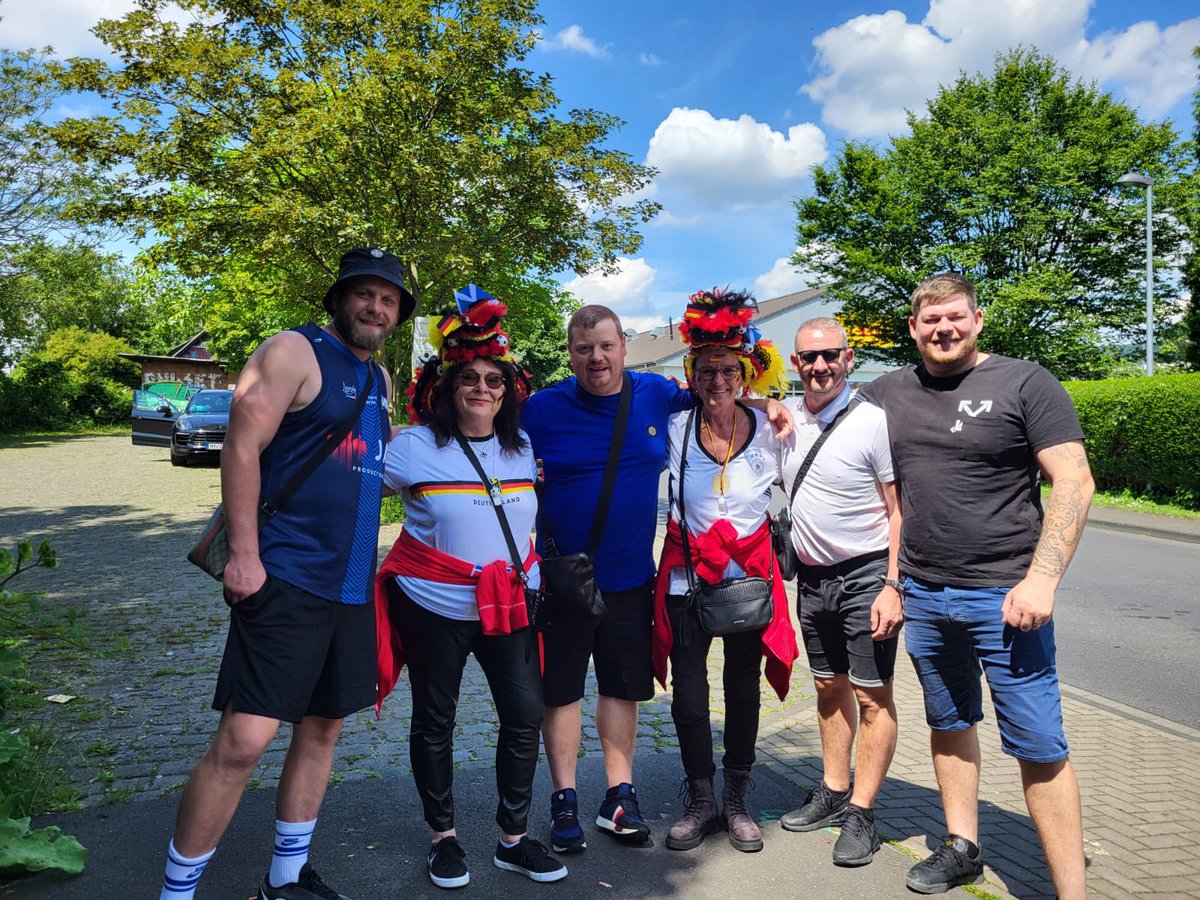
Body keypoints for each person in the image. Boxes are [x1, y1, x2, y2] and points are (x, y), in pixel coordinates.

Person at [158, 247, 414, 900]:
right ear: (339, 299)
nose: (375, 307)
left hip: (351, 584)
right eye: (364, 294)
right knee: (244, 742)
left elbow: (366, 472)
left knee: (324, 728)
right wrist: (245, 553)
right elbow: (242, 444)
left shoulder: (379, 381)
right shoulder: (293, 352)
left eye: (388, 300)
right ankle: (176, 892)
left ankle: (286, 879)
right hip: (287, 576)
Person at [521, 304, 792, 854]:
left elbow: (723, 393)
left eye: (605, 345)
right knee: (564, 691)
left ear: (623, 345)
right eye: (583, 348)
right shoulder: (541, 409)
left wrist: (769, 402)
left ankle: (621, 797)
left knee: (624, 688)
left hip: (633, 578)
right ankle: (565, 801)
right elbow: (488, 437)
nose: (596, 357)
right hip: (566, 578)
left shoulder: (655, 397)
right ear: (570, 352)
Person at [858, 272, 1093, 897]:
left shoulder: (1025, 382)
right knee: (950, 720)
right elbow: (818, 415)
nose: (944, 329)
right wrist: (769, 405)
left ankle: (1073, 891)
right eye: (930, 321)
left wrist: (1043, 579)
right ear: (913, 328)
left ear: (977, 319)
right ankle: (962, 846)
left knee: (1038, 742)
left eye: (955, 317)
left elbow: (1074, 481)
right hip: (926, 595)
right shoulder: (887, 392)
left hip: (1007, 597)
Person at [373, 286, 566, 890]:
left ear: (508, 391)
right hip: (434, 604)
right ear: (446, 388)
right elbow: (352, 493)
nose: (482, 389)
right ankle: (444, 839)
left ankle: (512, 840)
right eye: (470, 380)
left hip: (509, 603)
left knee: (523, 715)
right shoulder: (412, 447)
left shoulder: (522, 446)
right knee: (435, 719)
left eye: (494, 380)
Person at [650, 287, 798, 854]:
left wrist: (769, 405)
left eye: (728, 371)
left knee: (742, 688)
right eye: (707, 370)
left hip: (747, 581)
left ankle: (737, 798)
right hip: (687, 579)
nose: (717, 381)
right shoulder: (674, 429)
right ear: (692, 373)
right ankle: (702, 799)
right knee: (689, 696)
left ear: (746, 374)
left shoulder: (773, 431)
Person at [776, 317, 902, 868]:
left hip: (867, 575)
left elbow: (900, 510)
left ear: (849, 359)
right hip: (812, 577)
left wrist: (894, 585)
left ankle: (862, 812)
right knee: (828, 687)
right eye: (809, 357)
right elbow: (735, 395)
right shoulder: (781, 419)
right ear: (795, 362)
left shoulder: (873, 421)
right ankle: (831, 788)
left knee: (873, 696)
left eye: (830, 356)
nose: (820, 366)